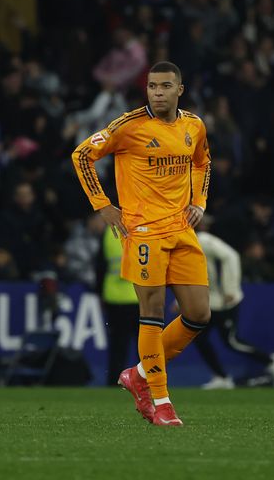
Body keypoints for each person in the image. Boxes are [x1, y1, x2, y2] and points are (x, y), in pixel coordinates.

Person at [72, 61, 211, 427]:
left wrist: (200, 202)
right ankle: (161, 401)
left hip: (182, 229)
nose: (158, 92)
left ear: (180, 89)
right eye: (152, 86)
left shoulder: (193, 125)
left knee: (199, 315)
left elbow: (203, 162)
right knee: (153, 314)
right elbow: (82, 155)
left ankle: (137, 374)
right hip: (145, 232)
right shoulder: (129, 126)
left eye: (165, 86)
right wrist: (103, 207)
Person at [190, 226, 274, 389]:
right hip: (210, 302)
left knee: (231, 341)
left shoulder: (203, 240)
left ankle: (271, 360)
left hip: (226, 300)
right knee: (199, 337)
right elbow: (191, 275)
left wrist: (229, 288)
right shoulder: (182, 245)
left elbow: (231, 256)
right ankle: (221, 377)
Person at [99, 224, 140, 387]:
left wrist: (99, 292)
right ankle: (147, 382)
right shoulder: (142, 226)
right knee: (145, 345)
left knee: (117, 344)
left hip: (114, 296)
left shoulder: (109, 231)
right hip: (138, 296)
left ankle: (114, 382)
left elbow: (100, 265)